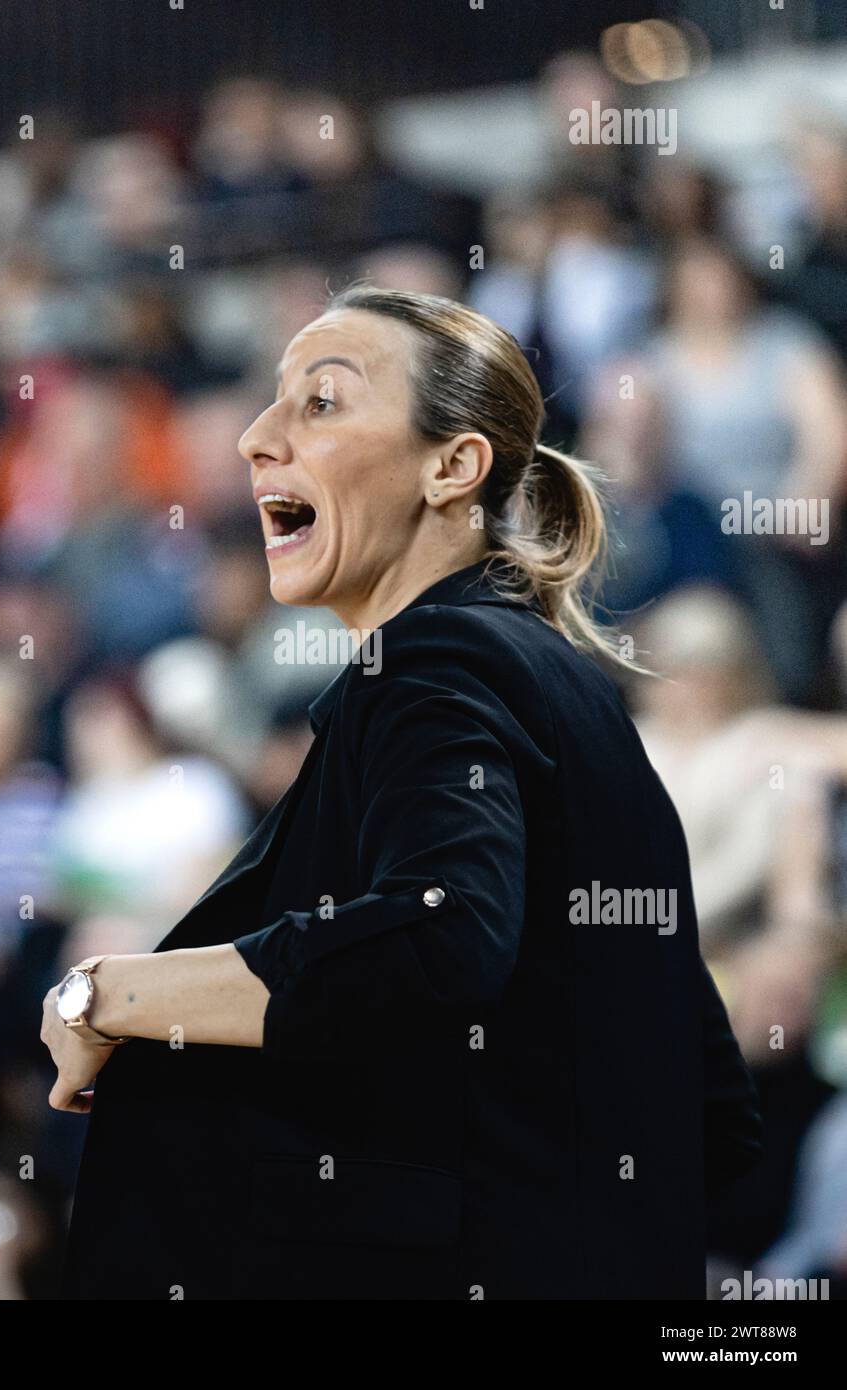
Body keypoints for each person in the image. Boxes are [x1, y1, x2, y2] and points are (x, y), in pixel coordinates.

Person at [45, 286, 762, 1300]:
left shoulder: (432, 660)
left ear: (453, 466)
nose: (257, 438)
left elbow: (439, 934)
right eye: (270, 402)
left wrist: (112, 994)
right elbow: (713, 1110)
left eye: (321, 403)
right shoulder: (561, 685)